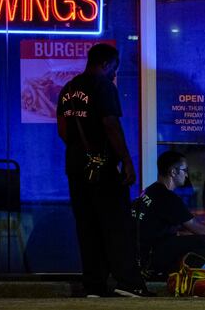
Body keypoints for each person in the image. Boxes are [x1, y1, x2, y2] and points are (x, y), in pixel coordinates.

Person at [56, 43, 151, 297]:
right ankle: (128, 283)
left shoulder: (68, 89)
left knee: (87, 227)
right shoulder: (103, 86)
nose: (114, 75)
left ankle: (94, 286)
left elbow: (63, 130)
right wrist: (127, 162)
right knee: (116, 224)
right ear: (107, 64)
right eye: (114, 69)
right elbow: (110, 123)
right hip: (102, 168)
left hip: (76, 167)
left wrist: (79, 152)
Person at [132, 151, 205, 277]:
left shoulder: (150, 191)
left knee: (185, 236)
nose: (187, 175)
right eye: (185, 170)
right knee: (203, 243)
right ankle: (172, 276)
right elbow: (202, 230)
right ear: (173, 172)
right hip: (149, 256)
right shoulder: (168, 198)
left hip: (140, 253)